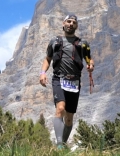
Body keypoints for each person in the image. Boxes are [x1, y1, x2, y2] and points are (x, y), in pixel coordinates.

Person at [39, 14, 95, 149]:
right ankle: (59, 145)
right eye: (68, 21)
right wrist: (42, 73)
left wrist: (91, 65)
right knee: (60, 108)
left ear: (76, 26)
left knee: (69, 118)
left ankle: (63, 144)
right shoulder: (55, 42)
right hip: (59, 78)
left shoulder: (83, 44)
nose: (71, 24)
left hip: (74, 81)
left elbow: (89, 59)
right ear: (63, 23)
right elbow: (47, 59)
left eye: (74, 22)